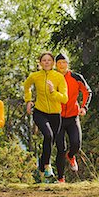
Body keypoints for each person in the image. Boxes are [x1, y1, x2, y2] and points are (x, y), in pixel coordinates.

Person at [24, 52, 68, 181]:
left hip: (55, 114)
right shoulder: (35, 76)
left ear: (53, 63)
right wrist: (28, 100)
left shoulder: (59, 77)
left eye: (49, 60)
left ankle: (41, 169)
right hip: (40, 112)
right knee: (48, 135)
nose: (47, 62)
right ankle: (48, 166)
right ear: (40, 63)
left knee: (50, 141)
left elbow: (64, 98)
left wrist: (53, 91)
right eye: (44, 60)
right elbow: (27, 86)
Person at [55, 53, 92, 183]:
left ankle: (71, 156)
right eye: (59, 63)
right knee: (60, 148)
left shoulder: (76, 77)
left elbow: (87, 92)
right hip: (57, 118)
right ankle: (61, 179)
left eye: (64, 62)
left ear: (67, 64)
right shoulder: (52, 78)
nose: (61, 65)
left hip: (72, 116)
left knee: (76, 144)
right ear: (55, 65)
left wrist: (84, 107)